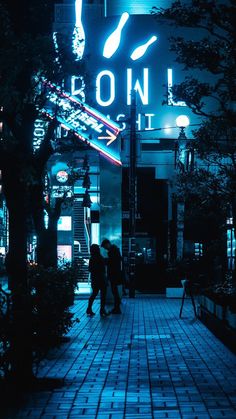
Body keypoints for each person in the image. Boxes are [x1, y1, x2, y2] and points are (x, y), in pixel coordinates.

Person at [101, 239, 122, 314]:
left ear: (107, 244)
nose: (105, 248)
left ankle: (117, 308)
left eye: (105, 246)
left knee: (114, 290)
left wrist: (106, 261)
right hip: (115, 273)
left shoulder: (113, 250)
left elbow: (112, 262)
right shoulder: (114, 249)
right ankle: (117, 306)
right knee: (114, 290)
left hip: (114, 274)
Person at [86, 244, 108, 317]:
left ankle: (89, 308)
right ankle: (102, 310)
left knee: (94, 293)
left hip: (95, 279)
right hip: (101, 278)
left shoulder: (92, 258)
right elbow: (103, 268)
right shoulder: (99, 257)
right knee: (103, 294)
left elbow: (90, 269)